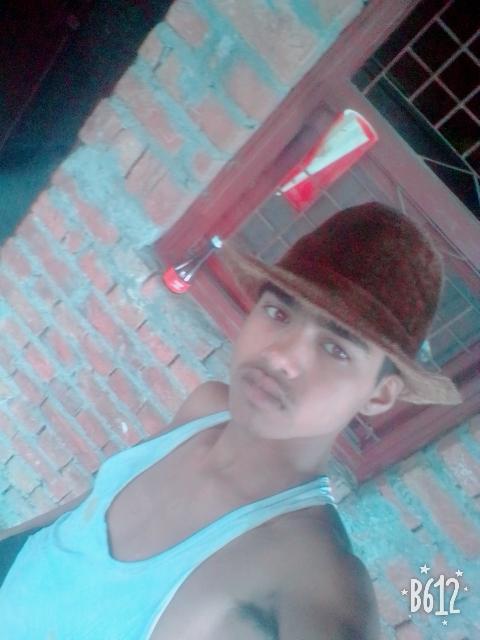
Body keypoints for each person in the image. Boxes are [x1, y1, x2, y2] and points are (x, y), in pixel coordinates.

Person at [0, 201, 462, 639]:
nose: (281, 357)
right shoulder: (205, 409)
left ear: (379, 394)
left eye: (335, 348)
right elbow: (73, 519)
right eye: (278, 312)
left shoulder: (314, 578)